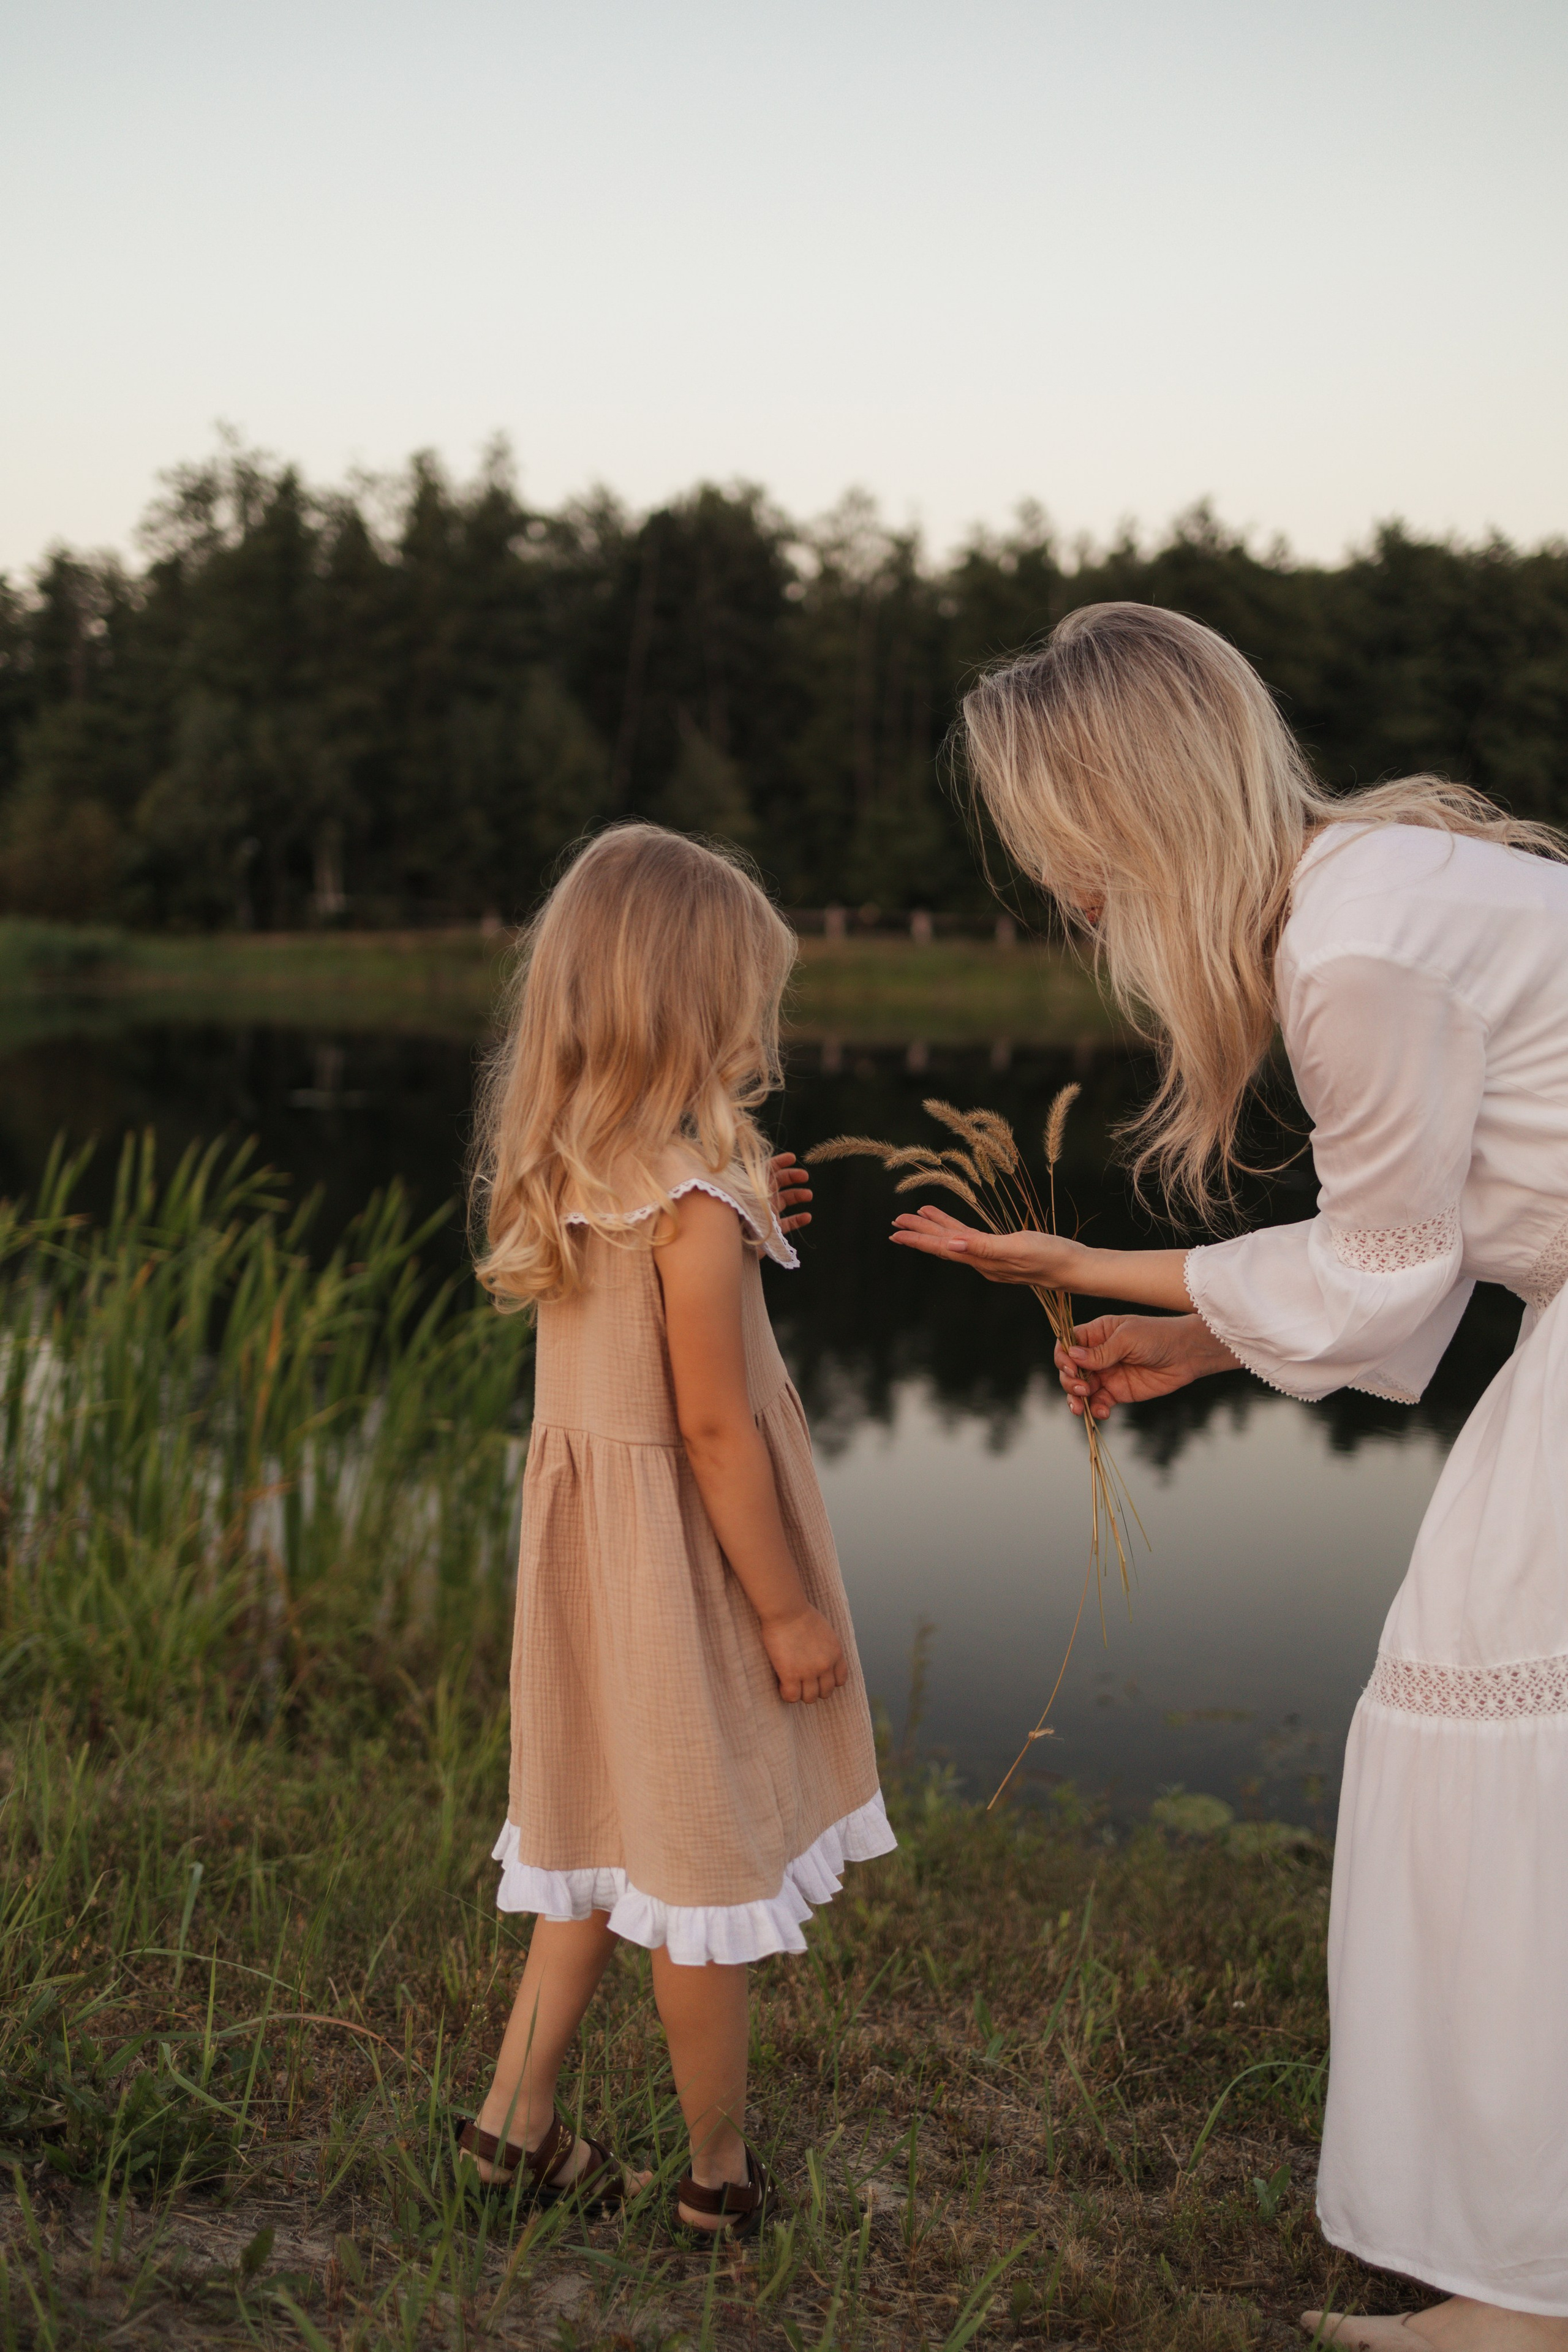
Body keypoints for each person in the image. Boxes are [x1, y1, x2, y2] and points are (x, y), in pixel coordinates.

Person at [892, 604, 1568, 2351]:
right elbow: (1426, 1247)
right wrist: (1201, 1343)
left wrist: (1075, 1265)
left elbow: (1382, 1268)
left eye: (1068, 846)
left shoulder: (1351, 950)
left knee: (1487, 1743)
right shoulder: (1381, 880)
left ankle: (1524, 2298)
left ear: (1138, 806)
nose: (1070, 897)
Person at [461, 822, 894, 2234]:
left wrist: (746, 1199)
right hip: (687, 1575)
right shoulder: (692, 1209)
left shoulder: (566, 1169)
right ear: (694, 1005)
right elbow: (712, 1429)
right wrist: (785, 1611)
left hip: (591, 1573)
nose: (761, 1025)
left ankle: (512, 2125)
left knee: (600, 1848)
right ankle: (720, 2177)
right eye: (750, 996)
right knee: (699, 1875)